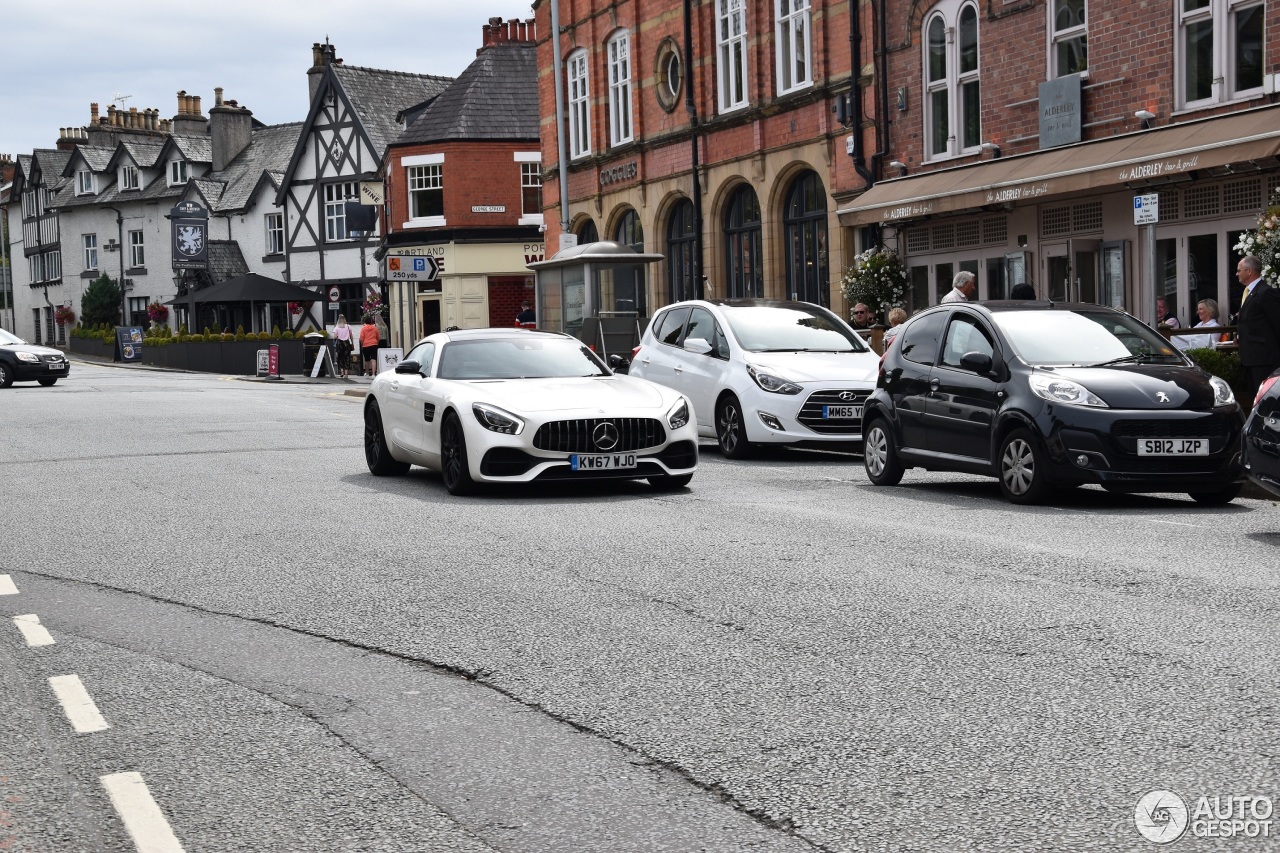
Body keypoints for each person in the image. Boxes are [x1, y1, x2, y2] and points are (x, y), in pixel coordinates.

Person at [1235, 254, 1280, 403]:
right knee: (1255, 397)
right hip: (1250, 357)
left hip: (1263, 358)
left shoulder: (1264, 292)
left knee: (1266, 399)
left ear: (1249, 271)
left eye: (1239, 270)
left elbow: (1277, 322)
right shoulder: (1248, 292)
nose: (1237, 274)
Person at [333, 314, 354, 378]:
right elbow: (351, 335)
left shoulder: (336, 327)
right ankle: (346, 373)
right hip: (346, 343)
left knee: (340, 358)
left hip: (340, 343)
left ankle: (342, 372)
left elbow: (334, 337)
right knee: (347, 358)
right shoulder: (348, 326)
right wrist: (352, 342)